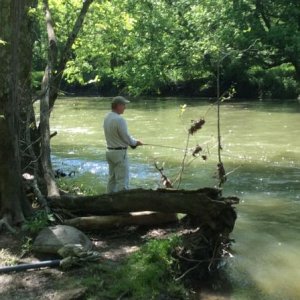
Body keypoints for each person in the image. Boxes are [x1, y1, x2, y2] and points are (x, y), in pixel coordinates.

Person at [103, 96, 143, 193]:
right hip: (119, 154)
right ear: (118, 106)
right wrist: (136, 142)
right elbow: (125, 137)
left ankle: (109, 201)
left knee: (111, 180)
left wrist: (133, 142)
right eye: (124, 105)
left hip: (109, 152)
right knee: (122, 182)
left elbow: (122, 136)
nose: (125, 107)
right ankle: (122, 205)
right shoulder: (119, 120)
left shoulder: (107, 117)